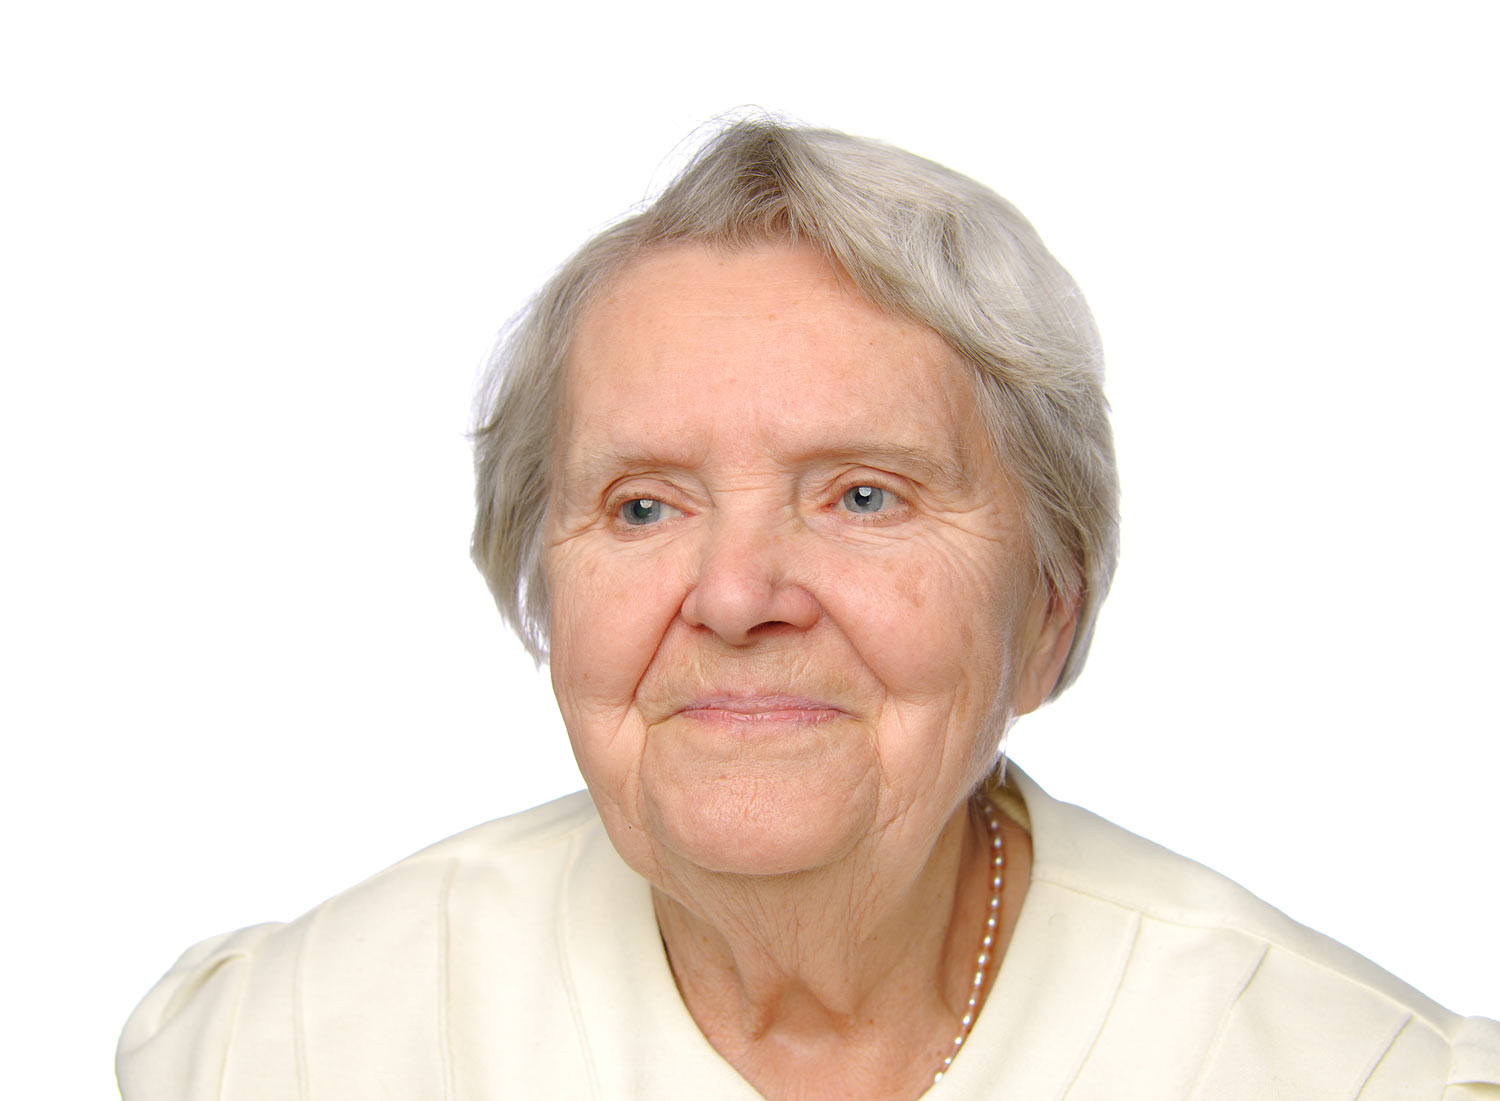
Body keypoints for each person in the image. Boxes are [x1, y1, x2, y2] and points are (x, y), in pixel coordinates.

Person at [117, 119, 1500, 1099]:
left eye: (862, 496)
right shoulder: (288, 1049)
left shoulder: (1339, 1070)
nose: (735, 594)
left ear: (1052, 608)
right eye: (646, 505)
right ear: (542, 582)